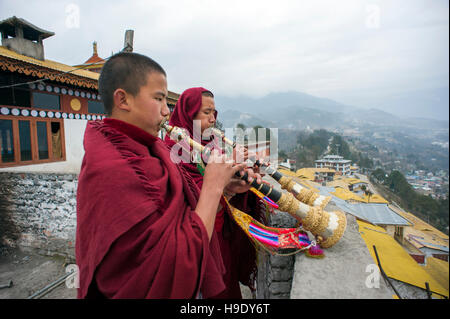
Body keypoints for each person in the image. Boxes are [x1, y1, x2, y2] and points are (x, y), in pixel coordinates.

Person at [75, 52, 258, 299]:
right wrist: (213, 187)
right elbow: (176, 263)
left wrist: (226, 187)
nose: (165, 111)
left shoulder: (153, 148)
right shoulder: (110, 168)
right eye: (159, 99)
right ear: (123, 99)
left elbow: (187, 207)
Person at [164, 87, 266, 298]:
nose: (212, 119)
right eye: (206, 113)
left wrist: (241, 176)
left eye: (214, 113)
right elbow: (188, 198)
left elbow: (223, 189)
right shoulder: (172, 150)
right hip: (197, 242)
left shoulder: (212, 146)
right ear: (188, 114)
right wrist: (225, 180)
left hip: (220, 238)